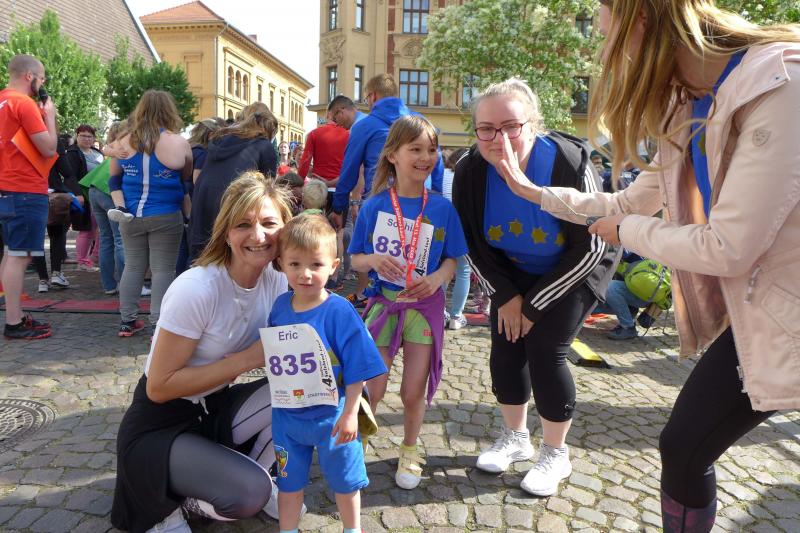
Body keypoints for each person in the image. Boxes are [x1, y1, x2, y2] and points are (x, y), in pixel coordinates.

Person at [496, 1, 800, 530]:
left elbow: (728, 246)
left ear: (643, 21)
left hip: (783, 307)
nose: (604, 55)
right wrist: (532, 192)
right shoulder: (690, 104)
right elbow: (626, 203)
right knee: (682, 446)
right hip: (767, 308)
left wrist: (627, 231)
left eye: (607, 36)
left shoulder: (779, 83)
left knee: (684, 445)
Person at [452, 78, 618, 497]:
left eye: (511, 126)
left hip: (575, 268)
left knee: (546, 347)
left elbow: (592, 244)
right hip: (512, 269)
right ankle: (516, 437)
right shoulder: (470, 170)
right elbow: (469, 241)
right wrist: (505, 296)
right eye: (486, 128)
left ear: (533, 124)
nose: (499, 138)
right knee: (506, 343)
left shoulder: (568, 162)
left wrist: (533, 306)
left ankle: (556, 453)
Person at [111, 172, 294, 532]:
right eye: (243, 225)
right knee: (248, 495)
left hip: (213, 408)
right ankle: (177, 503)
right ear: (226, 232)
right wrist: (246, 360)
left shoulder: (277, 280)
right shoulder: (197, 288)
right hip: (160, 423)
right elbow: (158, 387)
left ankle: (255, 473)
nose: (258, 236)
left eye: (269, 223)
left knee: (309, 393)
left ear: (285, 229)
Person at [349, 115, 468, 490]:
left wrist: (437, 278)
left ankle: (411, 448)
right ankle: (358, 442)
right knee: (373, 386)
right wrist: (372, 260)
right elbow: (355, 259)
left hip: (424, 308)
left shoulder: (443, 209)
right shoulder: (374, 207)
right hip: (384, 305)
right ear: (393, 155)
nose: (426, 157)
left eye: (431, 150)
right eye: (415, 149)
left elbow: (453, 258)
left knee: (413, 390)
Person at [267, 214, 386, 533]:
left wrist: (350, 415)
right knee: (288, 484)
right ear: (281, 264)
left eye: (315, 265)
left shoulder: (339, 311)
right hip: (288, 417)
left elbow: (358, 366)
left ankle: (352, 529)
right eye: (295, 264)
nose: (305, 274)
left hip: (333, 417)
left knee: (346, 482)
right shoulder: (279, 307)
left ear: (333, 266)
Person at [330, 75, 445, 307]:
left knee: (374, 259)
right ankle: (419, 307)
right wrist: (436, 199)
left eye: (366, 98)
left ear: (372, 96)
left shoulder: (364, 126)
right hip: (419, 202)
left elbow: (349, 171)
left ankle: (376, 304)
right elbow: (437, 165)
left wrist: (339, 206)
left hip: (380, 201)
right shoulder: (421, 122)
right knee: (419, 258)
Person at [109, 90, 191, 337]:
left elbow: (114, 178)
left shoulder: (122, 141)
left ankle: (127, 321)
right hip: (166, 213)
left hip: (130, 214)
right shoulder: (179, 142)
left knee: (133, 267)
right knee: (163, 270)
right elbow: (186, 179)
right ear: (169, 111)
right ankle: (159, 323)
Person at [0, 54, 57, 340]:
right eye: (42, 78)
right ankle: (14, 322)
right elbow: (48, 148)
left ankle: (15, 315)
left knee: (11, 253)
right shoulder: (23, 103)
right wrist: (51, 117)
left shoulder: (2, 100)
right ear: (29, 76)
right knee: (19, 256)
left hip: (7, 186)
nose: (43, 84)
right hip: (24, 187)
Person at [189, 102, 278, 259]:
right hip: (233, 207)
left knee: (202, 261)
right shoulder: (264, 146)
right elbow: (267, 192)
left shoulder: (218, 141)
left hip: (203, 207)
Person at [33, 135, 81, 292]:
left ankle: (42, 280)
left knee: (36, 240)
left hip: (30, 193)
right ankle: (56, 273)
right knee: (57, 235)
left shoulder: (19, 138)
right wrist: (77, 192)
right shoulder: (52, 140)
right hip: (53, 194)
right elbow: (66, 171)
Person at [65, 124, 102, 270]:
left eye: (89, 136)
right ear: (77, 136)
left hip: (99, 194)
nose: (86, 139)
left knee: (100, 229)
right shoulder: (73, 153)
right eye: (83, 136)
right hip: (84, 196)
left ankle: (95, 257)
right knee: (87, 229)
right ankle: (82, 261)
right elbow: (70, 176)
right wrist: (78, 194)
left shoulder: (97, 152)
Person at [441, 148, 471, 330]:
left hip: (443, 226)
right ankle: (456, 316)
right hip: (463, 228)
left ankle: (439, 311)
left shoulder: (443, 174)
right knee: (463, 272)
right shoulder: (470, 177)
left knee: (442, 270)